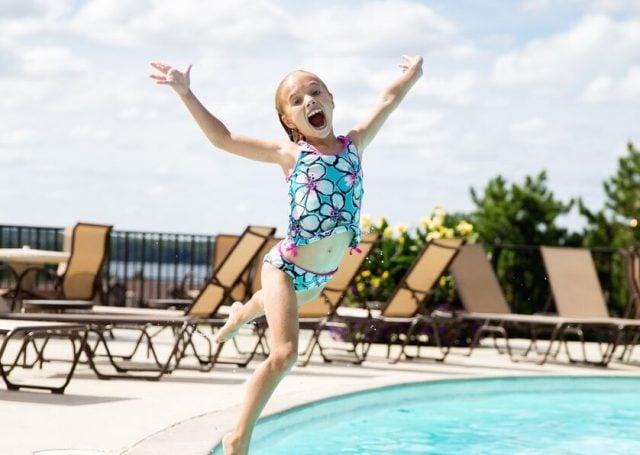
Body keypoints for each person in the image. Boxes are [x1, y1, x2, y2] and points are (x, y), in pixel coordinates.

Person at [150, 55, 423, 455]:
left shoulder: (355, 144)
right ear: (288, 121)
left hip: (319, 277)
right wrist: (186, 94)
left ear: (331, 99)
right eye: (296, 100)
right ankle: (238, 438)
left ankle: (240, 313)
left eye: (315, 92)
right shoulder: (291, 155)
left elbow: (387, 100)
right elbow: (223, 139)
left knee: (267, 311)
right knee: (285, 353)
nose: (309, 100)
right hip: (284, 267)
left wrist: (411, 75)